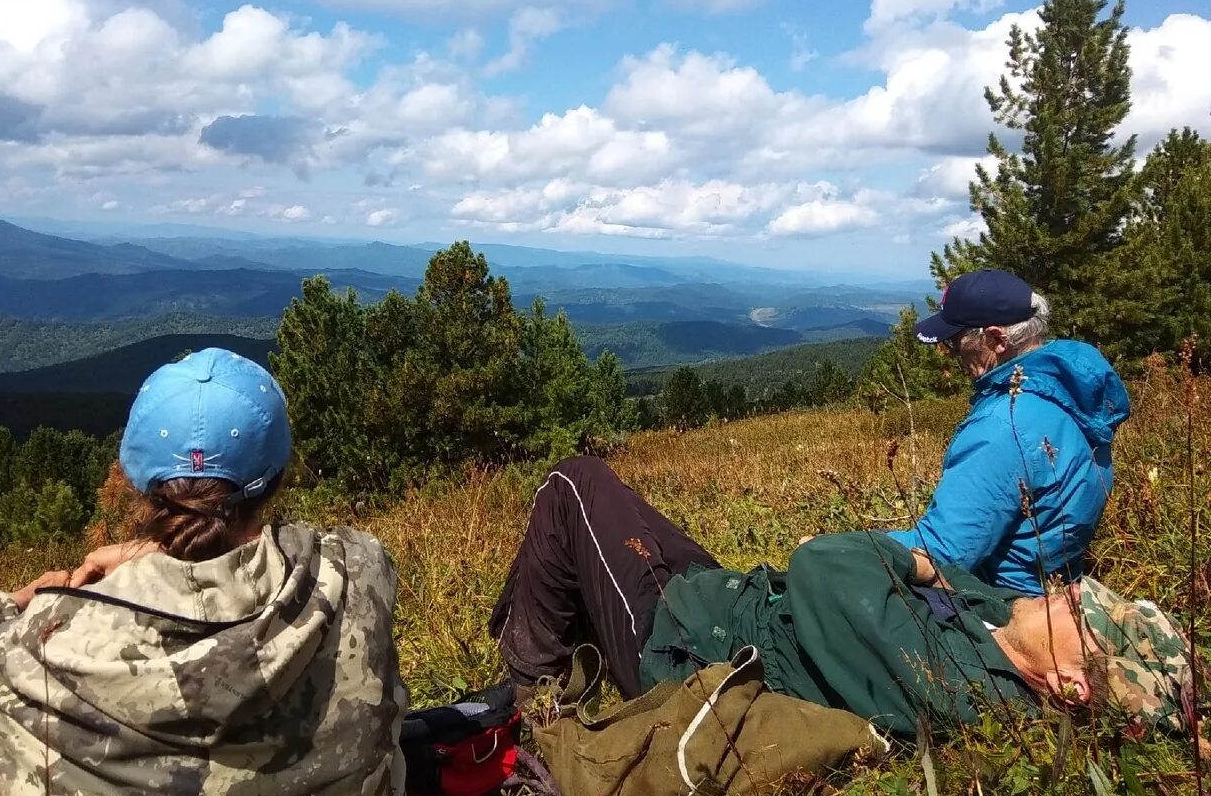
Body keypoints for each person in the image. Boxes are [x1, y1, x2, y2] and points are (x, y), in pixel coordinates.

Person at [0, 348, 406, 796]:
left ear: (138, 481)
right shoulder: (358, 570)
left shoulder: (46, 647)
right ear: (278, 474)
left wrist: (8, 602)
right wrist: (160, 555)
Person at [491, 457, 1194, 740]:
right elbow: (943, 577)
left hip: (673, 641)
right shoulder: (1002, 631)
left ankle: (526, 695)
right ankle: (544, 613)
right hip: (731, 599)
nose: (1070, 590)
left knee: (573, 485)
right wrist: (928, 574)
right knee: (618, 509)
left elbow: (824, 563)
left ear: (1070, 686)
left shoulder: (956, 685)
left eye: (1085, 614)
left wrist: (915, 565)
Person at [884, 269, 1130, 594]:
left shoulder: (1004, 425)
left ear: (996, 340)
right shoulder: (1072, 396)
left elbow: (942, 554)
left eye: (955, 343)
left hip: (1004, 602)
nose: (951, 354)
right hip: (1057, 586)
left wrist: (847, 547)